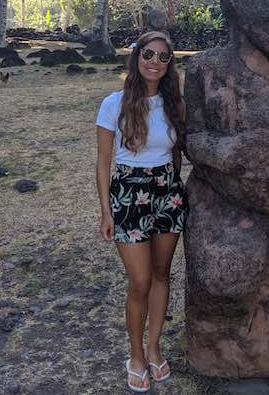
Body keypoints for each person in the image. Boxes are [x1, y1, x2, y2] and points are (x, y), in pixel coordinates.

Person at [95, 31, 188, 392]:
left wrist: (176, 190)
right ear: (137, 57)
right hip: (129, 194)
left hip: (166, 191)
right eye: (148, 54)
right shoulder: (112, 104)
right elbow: (103, 163)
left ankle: (153, 348)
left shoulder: (174, 104)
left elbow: (177, 154)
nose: (155, 62)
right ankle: (134, 354)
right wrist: (106, 211)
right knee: (140, 282)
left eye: (163, 58)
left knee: (162, 274)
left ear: (169, 65)